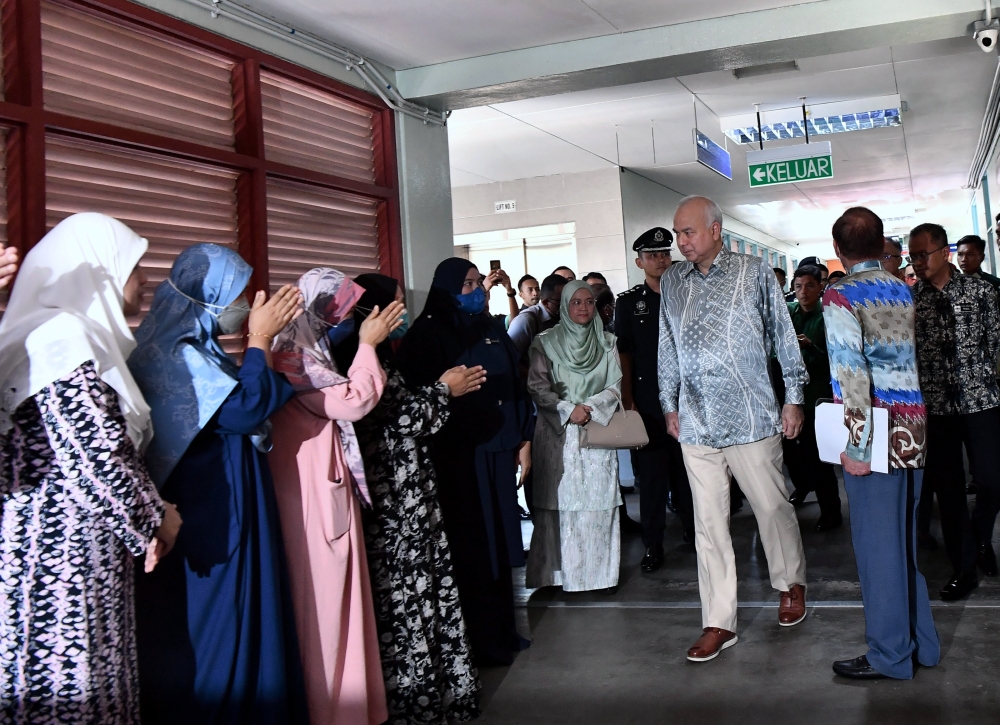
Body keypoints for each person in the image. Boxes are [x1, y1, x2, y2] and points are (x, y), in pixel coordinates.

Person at [0, 213, 181, 724]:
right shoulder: (61, 337)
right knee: (69, 689)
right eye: (134, 266)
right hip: (57, 561)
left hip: (77, 551)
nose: (144, 280)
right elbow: (95, 454)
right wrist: (157, 518)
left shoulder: (70, 337)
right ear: (99, 270)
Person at [129, 244, 307, 724]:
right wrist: (259, 339)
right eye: (236, 296)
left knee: (242, 615)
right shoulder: (174, 355)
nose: (245, 306)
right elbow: (245, 408)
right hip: (206, 510)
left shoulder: (196, 349)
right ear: (205, 298)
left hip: (226, 495)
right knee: (219, 626)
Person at [329, 274, 486, 725]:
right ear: (370, 311)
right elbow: (401, 418)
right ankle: (412, 700)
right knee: (404, 597)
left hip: (411, 492)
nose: (402, 313)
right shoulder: (353, 359)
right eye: (395, 305)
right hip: (390, 500)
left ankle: (440, 691)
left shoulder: (380, 355)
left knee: (426, 587)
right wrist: (444, 389)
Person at [659, 196, 808, 663]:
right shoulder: (672, 281)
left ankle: (790, 584)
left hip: (751, 415)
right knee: (708, 524)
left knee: (771, 507)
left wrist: (794, 396)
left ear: (715, 230)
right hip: (697, 420)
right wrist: (668, 403)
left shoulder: (754, 271)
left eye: (688, 232)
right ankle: (718, 621)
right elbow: (667, 343)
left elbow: (783, 335)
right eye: (677, 233)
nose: (681, 242)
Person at [265, 269, 403, 725]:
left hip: (321, 487)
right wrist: (366, 346)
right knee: (324, 605)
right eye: (333, 314)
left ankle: (351, 705)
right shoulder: (292, 356)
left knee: (340, 600)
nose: (339, 323)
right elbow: (353, 401)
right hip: (308, 493)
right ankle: (331, 710)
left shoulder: (310, 349)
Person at [396, 258, 534, 666]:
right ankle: (480, 639)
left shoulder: (488, 325)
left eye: (478, 283)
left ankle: (504, 630)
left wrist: (523, 437)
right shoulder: (429, 334)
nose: (476, 291)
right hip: (462, 456)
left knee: (502, 543)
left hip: (500, 448)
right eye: (467, 284)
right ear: (446, 289)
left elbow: (515, 379)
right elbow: (421, 400)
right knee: (476, 546)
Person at [824, 207, 939, 680]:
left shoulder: (840, 294)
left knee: (878, 552)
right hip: (913, 430)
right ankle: (922, 646)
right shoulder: (899, 287)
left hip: (875, 438)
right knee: (903, 546)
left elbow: (851, 375)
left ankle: (889, 656)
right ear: (881, 245)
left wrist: (856, 446)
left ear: (838, 250)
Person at [909, 223, 1000, 600]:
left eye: (922, 255)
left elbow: (995, 343)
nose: (917, 262)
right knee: (948, 493)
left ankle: (981, 539)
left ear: (943, 252)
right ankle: (964, 568)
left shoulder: (981, 291)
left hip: (981, 402)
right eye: (912, 256)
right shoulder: (913, 301)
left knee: (992, 481)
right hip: (937, 409)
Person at [526, 281, 623, 592]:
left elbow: (615, 387)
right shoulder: (545, 342)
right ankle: (558, 575)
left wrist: (589, 407)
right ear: (564, 306)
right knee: (560, 503)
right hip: (557, 435)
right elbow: (537, 387)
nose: (583, 308)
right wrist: (569, 409)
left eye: (589, 302)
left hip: (595, 432)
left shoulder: (607, 342)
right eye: (576, 302)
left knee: (597, 502)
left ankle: (598, 577)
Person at [616, 227, 695, 573]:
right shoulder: (629, 303)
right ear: (640, 262)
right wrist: (628, 398)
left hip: (687, 399)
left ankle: (695, 531)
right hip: (648, 403)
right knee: (651, 479)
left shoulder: (688, 294)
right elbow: (624, 353)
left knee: (689, 472)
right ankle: (653, 544)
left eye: (664, 254)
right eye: (652, 256)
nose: (660, 260)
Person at [783, 266, 842, 531]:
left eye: (809, 286)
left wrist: (810, 346)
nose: (803, 292)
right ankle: (803, 486)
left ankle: (831, 511)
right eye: (798, 287)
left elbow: (836, 359)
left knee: (820, 459)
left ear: (820, 287)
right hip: (789, 397)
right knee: (791, 454)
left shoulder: (829, 315)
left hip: (818, 397)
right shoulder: (789, 313)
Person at [508, 273, 567, 361]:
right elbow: (509, 357)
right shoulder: (525, 321)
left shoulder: (563, 317)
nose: (567, 305)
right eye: (561, 301)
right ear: (546, 302)